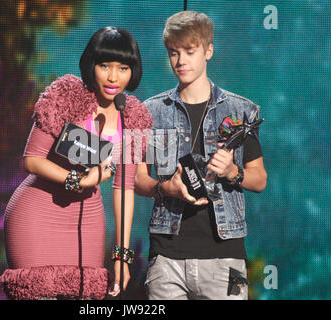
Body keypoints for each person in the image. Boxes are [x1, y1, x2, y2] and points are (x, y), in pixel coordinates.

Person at [0, 26, 152, 300]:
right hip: (37, 215)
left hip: (87, 221)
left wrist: (122, 256)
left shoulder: (134, 117)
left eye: (123, 67)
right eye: (105, 65)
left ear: (133, 71)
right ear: (92, 64)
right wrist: (78, 180)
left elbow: (125, 189)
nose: (113, 76)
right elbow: (32, 161)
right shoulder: (67, 96)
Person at [135, 11, 267, 300]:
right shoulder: (150, 111)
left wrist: (233, 172)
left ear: (208, 51)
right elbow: (136, 180)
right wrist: (164, 187)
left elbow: (260, 180)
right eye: (173, 53)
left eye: (189, 52)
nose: (181, 61)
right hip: (166, 258)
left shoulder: (241, 111)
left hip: (226, 257)